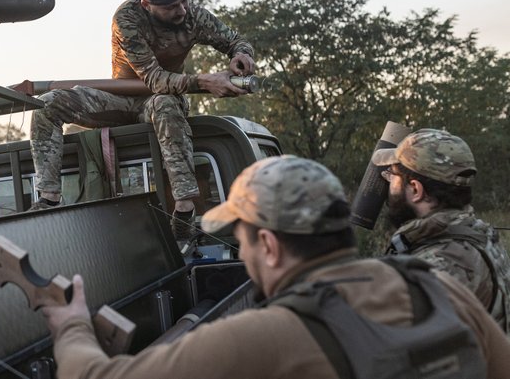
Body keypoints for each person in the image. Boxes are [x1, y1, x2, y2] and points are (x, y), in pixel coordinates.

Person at [42, 156, 510, 378]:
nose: (241, 254)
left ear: (267, 244)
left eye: (241, 239)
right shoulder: (436, 289)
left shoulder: (265, 336)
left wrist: (72, 327)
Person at [29, 0, 255, 239]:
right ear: (147, 5)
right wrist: (205, 81)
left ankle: (184, 208)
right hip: (119, 100)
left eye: (184, 1)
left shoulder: (193, 16)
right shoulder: (128, 18)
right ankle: (49, 197)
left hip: (163, 104)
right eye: (172, 6)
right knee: (48, 104)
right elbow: (155, 79)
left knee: (165, 103)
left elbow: (235, 40)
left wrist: (241, 55)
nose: (181, 10)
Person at [373, 128, 510, 333]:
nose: (388, 183)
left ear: (416, 190)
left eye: (392, 175)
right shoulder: (478, 236)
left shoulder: (441, 266)